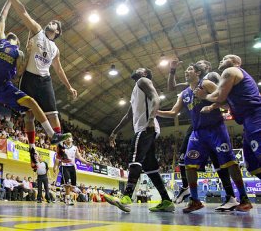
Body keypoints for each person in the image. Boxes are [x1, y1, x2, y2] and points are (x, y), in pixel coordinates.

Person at [0, 0, 72, 152]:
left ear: (18, 43)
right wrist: (8, 0)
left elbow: (20, 72)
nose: (13, 35)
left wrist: (28, 54)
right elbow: (1, 18)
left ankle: (52, 135)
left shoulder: (19, 53)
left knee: (32, 103)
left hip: (6, 88)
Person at [0, 0, 77, 160]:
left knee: (54, 115)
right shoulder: (37, 31)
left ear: (58, 32)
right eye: (51, 21)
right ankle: (32, 149)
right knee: (29, 116)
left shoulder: (55, 49)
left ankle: (60, 150)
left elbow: (59, 70)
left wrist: (69, 87)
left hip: (45, 80)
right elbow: (23, 12)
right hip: (29, 78)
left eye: (55, 23)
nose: (51, 23)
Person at [158, 63, 252, 213]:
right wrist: (156, 112)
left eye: (189, 69)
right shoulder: (184, 93)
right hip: (198, 133)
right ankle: (195, 200)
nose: (186, 71)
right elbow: (173, 112)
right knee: (188, 165)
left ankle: (244, 198)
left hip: (216, 129)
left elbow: (224, 100)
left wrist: (211, 106)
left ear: (198, 73)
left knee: (229, 163)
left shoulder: (206, 83)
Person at [105, 68, 174, 213]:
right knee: (150, 168)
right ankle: (166, 200)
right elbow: (128, 115)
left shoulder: (144, 81)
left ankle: (127, 198)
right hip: (146, 127)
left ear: (145, 74)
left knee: (134, 158)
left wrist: (151, 119)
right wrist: (114, 132)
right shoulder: (136, 90)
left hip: (146, 127)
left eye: (141, 69)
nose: (137, 69)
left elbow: (155, 97)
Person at [195, 54, 261, 180]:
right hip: (248, 122)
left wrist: (204, 96)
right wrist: (212, 107)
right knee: (252, 165)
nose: (222, 60)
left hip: (255, 116)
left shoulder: (230, 70)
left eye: (226, 58)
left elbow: (219, 96)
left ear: (236, 63)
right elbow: (226, 104)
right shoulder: (236, 82)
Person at [53, 137, 92, 206]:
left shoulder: (75, 148)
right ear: (65, 140)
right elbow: (57, 158)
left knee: (72, 185)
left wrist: (86, 163)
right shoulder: (62, 147)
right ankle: (68, 199)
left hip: (72, 167)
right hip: (64, 166)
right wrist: (55, 166)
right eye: (66, 137)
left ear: (72, 139)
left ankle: (65, 197)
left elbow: (79, 157)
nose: (68, 138)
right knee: (67, 184)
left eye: (69, 137)